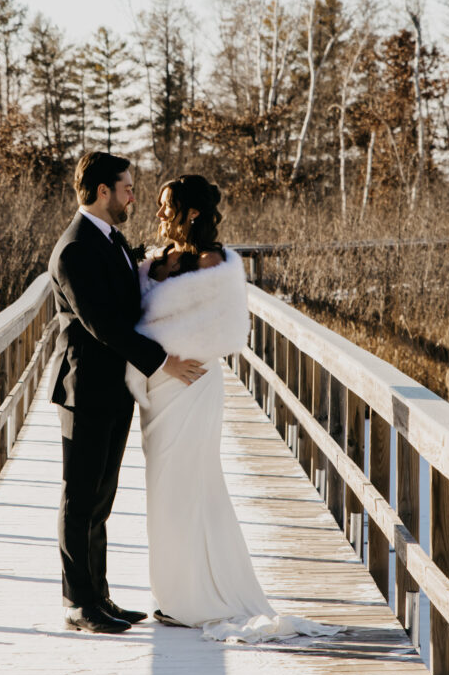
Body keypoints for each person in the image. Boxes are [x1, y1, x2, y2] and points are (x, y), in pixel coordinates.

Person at [126, 175, 339, 643]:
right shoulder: (153, 262)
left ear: (193, 212)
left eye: (167, 206)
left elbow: (220, 329)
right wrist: (160, 361)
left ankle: (197, 598)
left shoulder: (215, 262)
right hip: (157, 388)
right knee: (160, 490)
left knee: (192, 485)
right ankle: (171, 593)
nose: (159, 213)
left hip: (193, 386)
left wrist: (179, 355)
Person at [48, 151, 206, 634]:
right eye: (128, 187)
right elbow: (103, 325)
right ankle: (79, 604)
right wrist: (164, 363)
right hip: (85, 387)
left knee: (101, 498)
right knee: (80, 497)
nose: (134, 195)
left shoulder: (111, 241)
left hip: (114, 387)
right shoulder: (75, 248)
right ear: (102, 192)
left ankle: (101, 594)